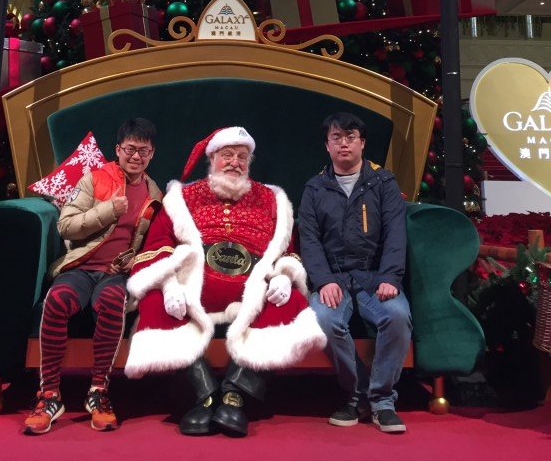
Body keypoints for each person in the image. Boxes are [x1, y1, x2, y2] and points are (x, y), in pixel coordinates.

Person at [125, 126, 325, 437]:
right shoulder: (182, 197)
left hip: (254, 285)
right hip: (194, 284)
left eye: (242, 157)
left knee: (293, 302)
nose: (234, 162)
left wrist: (285, 275)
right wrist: (170, 285)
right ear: (212, 159)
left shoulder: (272, 199)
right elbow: (158, 244)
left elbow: (289, 249)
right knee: (154, 302)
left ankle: (235, 395)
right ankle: (203, 395)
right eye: (227, 155)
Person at [24, 116, 162, 435]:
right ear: (118, 149)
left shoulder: (155, 194)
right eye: (130, 149)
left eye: (144, 151)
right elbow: (66, 226)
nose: (136, 156)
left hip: (117, 275)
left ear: (152, 154)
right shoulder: (95, 179)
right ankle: (49, 395)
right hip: (81, 267)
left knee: (113, 301)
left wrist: (135, 260)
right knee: (57, 300)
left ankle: (99, 391)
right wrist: (108, 210)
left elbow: (156, 243)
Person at [298, 111, 411, 434]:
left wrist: (390, 277)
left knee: (397, 316)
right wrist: (323, 281)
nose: (343, 144)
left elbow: (395, 234)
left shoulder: (383, 182)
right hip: (334, 277)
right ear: (327, 145)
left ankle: (383, 401)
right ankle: (357, 394)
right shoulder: (315, 188)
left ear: (362, 143)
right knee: (323, 319)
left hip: (375, 276)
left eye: (350, 137)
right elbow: (309, 240)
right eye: (336, 138)